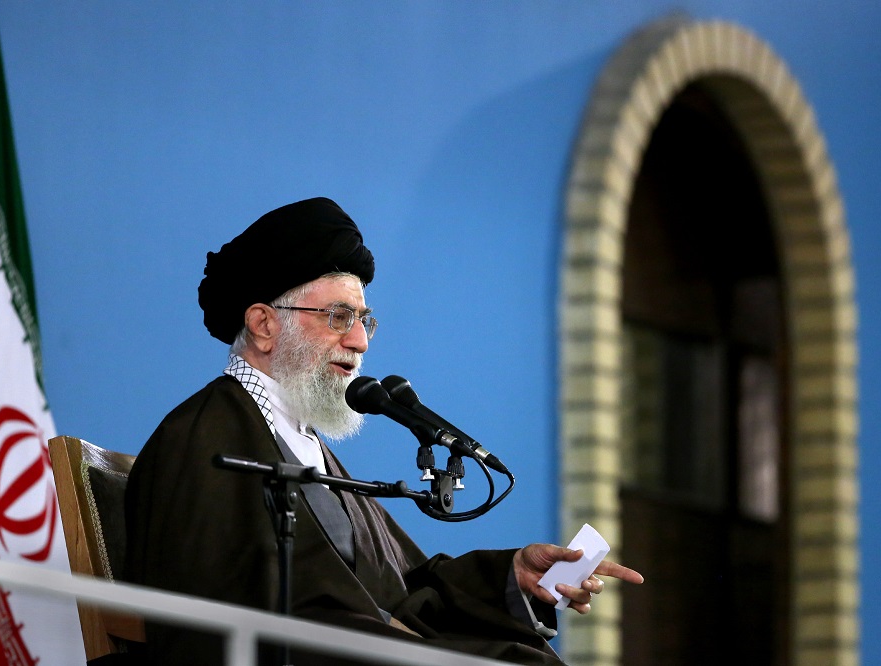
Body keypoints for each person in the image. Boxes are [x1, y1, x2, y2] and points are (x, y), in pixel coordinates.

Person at [123, 198, 643, 665]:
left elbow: (402, 590)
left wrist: (512, 575)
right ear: (263, 324)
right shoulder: (203, 440)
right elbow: (230, 615)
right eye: (338, 316)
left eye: (364, 320)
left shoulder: (301, 440)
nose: (359, 341)